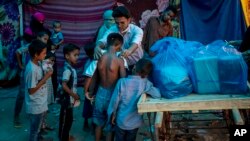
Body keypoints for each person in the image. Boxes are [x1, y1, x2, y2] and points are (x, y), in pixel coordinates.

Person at [107, 58, 161, 141]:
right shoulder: (145, 83)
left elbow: (114, 102)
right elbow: (157, 95)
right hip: (134, 124)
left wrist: (112, 114)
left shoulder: (122, 82)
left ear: (134, 67)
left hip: (121, 121)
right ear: (147, 74)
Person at [93, 33, 126, 141]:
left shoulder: (100, 58)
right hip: (112, 94)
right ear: (119, 45)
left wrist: (91, 92)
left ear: (107, 43)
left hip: (100, 92)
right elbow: (123, 80)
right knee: (110, 125)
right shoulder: (119, 61)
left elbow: (94, 76)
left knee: (98, 122)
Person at [94, 6, 144, 72]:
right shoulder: (112, 29)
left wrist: (129, 51)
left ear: (129, 20)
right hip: (120, 64)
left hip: (136, 64)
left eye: (122, 22)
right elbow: (103, 41)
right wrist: (97, 46)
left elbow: (136, 42)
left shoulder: (137, 30)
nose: (119, 25)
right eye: (117, 23)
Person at [24, 39, 53, 141]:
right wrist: (46, 77)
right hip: (35, 105)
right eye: (44, 53)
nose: (45, 55)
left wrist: (46, 61)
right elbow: (31, 90)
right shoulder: (31, 70)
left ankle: (39, 139)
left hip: (40, 102)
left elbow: (42, 63)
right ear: (36, 55)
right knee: (34, 130)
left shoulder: (37, 62)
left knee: (38, 126)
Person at [59, 43, 80, 141]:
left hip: (70, 99)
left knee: (68, 119)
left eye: (78, 55)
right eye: (75, 55)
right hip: (67, 99)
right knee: (66, 120)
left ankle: (65, 136)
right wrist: (74, 95)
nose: (77, 57)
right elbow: (64, 85)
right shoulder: (67, 70)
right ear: (67, 56)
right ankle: (64, 138)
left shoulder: (70, 68)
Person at [13, 28, 34, 128]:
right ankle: (16, 116)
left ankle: (29, 114)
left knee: (30, 94)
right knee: (22, 95)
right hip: (24, 73)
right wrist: (21, 65)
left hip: (32, 73)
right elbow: (17, 52)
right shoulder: (29, 46)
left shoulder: (32, 45)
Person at [82, 42, 96, 130]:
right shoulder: (91, 63)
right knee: (89, 105)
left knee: (89, 105)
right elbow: (87, 78)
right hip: (91, 88)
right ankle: (88, 123)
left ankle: (87, 122)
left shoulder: (89, 61)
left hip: (91, 87)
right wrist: (86, 91)